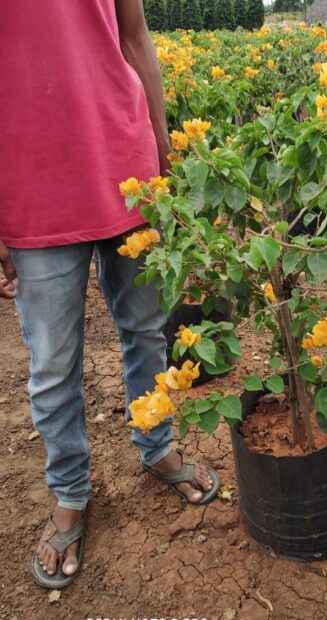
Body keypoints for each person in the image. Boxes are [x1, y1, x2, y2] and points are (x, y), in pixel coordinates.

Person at [0, 0, 220, 590]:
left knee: (147, 331)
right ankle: (70, 492)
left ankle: (156, 445)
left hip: (124, 163)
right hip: (30, 182)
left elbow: (135, 34)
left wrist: (162, 150)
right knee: (52, 366)